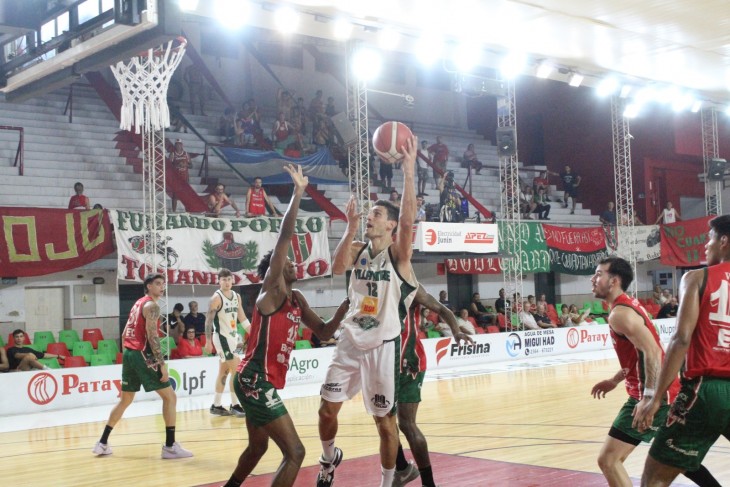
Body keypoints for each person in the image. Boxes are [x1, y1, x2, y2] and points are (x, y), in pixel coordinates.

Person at [222, 164, 347, 487]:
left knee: (257, 447)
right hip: (254, 378)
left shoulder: (297, 300)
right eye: (288, 262)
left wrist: (346, 307)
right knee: (295, 452)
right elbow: (284, 238)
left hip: (258, 380)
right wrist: (298, 193)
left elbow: (323, 332)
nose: (293, 264)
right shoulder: (272, 291)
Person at [317, 134, 419, 487]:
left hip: (381, 345)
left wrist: (408, 172)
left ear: (390, 225)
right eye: (370, 213)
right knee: (326, 410)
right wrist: (350, 227)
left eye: (377, 213)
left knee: (384, 423)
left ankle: (388, 481)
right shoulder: (359, 248)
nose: (370, 216)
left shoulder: (398, 255)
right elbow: (336, 267)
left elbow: (408, 221)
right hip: (349, 340)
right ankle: (328, 459)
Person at [588, 257, 718, 487]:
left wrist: (649, 397)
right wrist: (615, 380)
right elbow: (639, 353)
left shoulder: (620, 314)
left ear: (614, 280)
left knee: (609, 460)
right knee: (678, 458)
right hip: (663, 391)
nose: (593, 279)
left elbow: (653, 352)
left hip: (653, 395)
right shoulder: (625, 306)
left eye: (599, 274)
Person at [634, 215, 730, 487]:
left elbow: (681, 338)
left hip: (705, 391)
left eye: (710, 239)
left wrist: (656, 397)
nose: (706, 246)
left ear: (724, 241)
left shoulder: (697, 277)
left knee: (654, 479)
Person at [93, 273, 193, 459]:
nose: (162, 287)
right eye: (157, 284)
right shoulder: (152, 306)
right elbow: (153, 336)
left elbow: (124, 333)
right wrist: (161, 364)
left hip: (130, 353)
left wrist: (129, 354)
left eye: (163, 284)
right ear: (148, 286)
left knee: (125, 399)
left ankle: (102, 443)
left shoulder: (138, 304)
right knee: (170, 397)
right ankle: (170, 446)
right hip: (142, 353)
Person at [394, 284, 473, 487]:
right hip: (385, 360)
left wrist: (456, 331)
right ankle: (402, 468)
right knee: (384, 420)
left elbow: (442, 309)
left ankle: (427, 482)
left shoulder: (411, 286)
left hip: (408, 360)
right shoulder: (379, 281)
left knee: (406, 424)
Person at [204, 268, 250, 418]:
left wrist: (252, 331)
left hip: (232, 338)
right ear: (219, 281)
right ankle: (235, 405)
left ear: (232, 280)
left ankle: (216, 405)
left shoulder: (237, 296)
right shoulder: (216, 298)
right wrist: (208, 341)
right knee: (237, 371)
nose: (227, 282)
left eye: (229, 279)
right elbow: (208, 321)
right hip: (221, 338)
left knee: (224, 372)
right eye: (224, 280)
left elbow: (242, 317)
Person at [169, 140, 192, 213]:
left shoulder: (186, 154)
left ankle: (187, 210)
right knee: (175, 194)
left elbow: (191, 165)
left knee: (186, 194)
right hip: (176, 177)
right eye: (177, 144)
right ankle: (174, 211)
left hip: (185, 177)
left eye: (180, 144)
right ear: (175, 145)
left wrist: (185, 165)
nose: (178, 146)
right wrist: (177, 165)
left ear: (182, 145)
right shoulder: (172, 154)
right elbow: (169, 166)